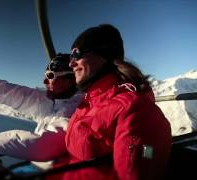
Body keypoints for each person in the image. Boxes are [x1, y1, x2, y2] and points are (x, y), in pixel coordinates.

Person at [50, 24, 172, 180]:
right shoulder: (89, 102)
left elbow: (135, 171)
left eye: (76, 54)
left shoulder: (135, 109)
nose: (71, 63)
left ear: (104, 55)